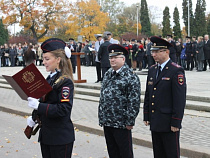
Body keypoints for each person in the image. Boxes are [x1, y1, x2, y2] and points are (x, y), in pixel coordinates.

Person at [26, 38, 75, 158]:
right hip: (47, 136)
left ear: (58, 60)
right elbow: (45, 101)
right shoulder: (49, 79)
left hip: (59, 137)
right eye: (43, 59)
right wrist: (34, 117)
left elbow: (63, 109)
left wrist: (39, 106)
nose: (44, 62)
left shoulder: (65, 81)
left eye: (47, 59)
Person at [143, 36, 186, 158]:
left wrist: (176, 121)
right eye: (152, 51)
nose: (153, 54)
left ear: (166, 52)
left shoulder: (176, 71)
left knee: (171, 153)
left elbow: (179, 99)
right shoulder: (152, 70)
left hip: (168, 123)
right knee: (158, 153)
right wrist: (146, 114)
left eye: (157, 51)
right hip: (155, 120)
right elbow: (148, 94)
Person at [98, 44, 141, 158]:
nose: (112, 60)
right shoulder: (108, 74)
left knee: (124, 153)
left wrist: (129, 120)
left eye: (115, 57)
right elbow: (103, 96)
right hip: (108, 121)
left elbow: (134, 101)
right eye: (111, 57)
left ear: (123, 59)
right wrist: (102, 116)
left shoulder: (130, 76)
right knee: (113, 152)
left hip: (121, 123)